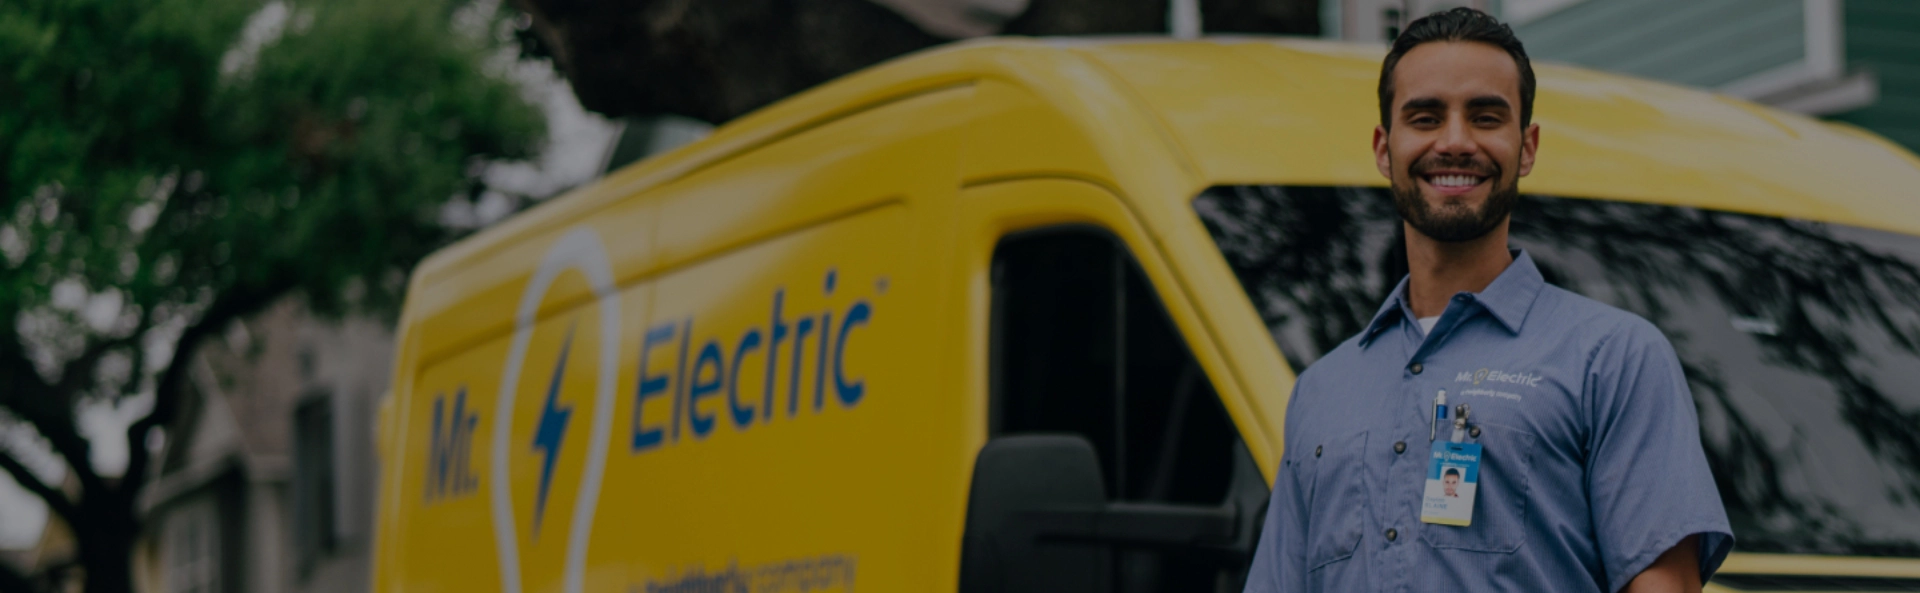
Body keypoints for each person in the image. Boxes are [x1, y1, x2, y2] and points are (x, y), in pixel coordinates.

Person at [1241, 8, 1733, 593]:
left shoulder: (1615, 358)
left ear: (1526, 148)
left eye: (1485, 117)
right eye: (1425, 117)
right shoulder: (1320, 391)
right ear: (1384, 148)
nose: (1454, 142)